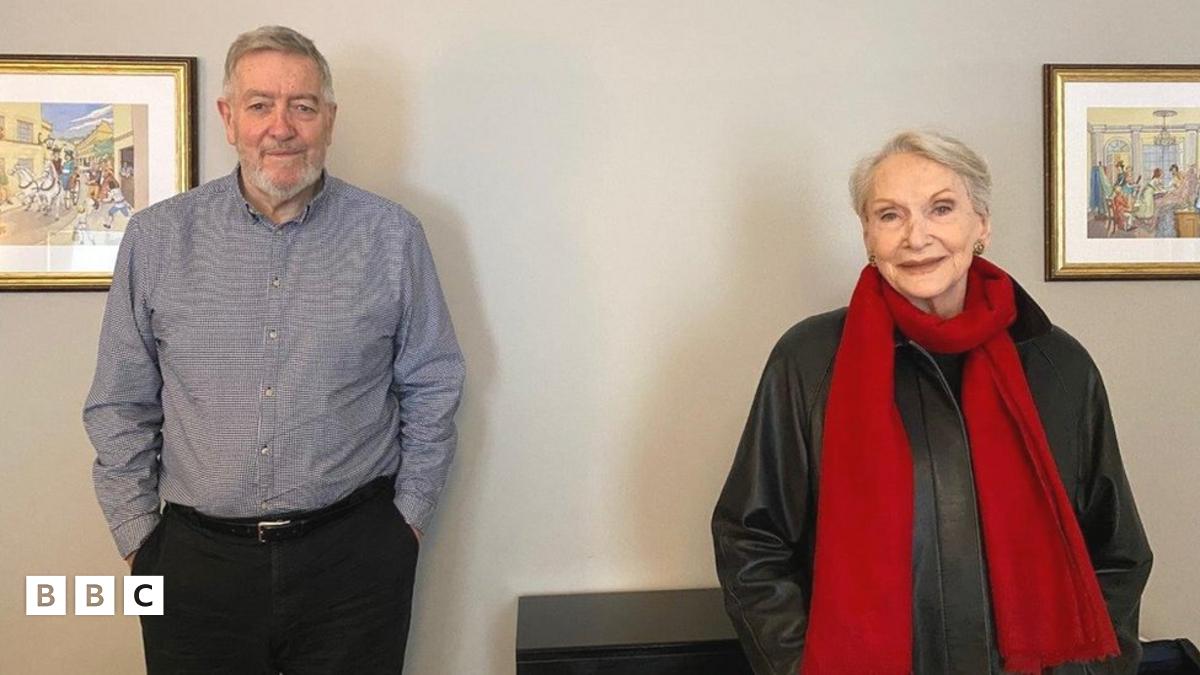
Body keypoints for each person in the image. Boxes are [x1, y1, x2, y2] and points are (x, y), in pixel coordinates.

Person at [84, 25, 464, 674]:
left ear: (329, 120)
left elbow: (434, 381)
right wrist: (139, 540)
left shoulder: (392, 237)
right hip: (194, 564)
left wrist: (407, 522)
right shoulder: (156, 239)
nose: (281, 127)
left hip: (355, 561)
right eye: (260, 105)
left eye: (302, 106)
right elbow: (119, 401)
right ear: (229, 118)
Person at [712, 131, 1152, 675]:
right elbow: (750, 539)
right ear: (868, 234)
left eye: (941, 209)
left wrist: (1084, 671)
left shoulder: (1060, 364)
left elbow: (1116, 549)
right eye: (890, 215)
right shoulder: (807, 361)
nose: (916, 237)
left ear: (981, 224)